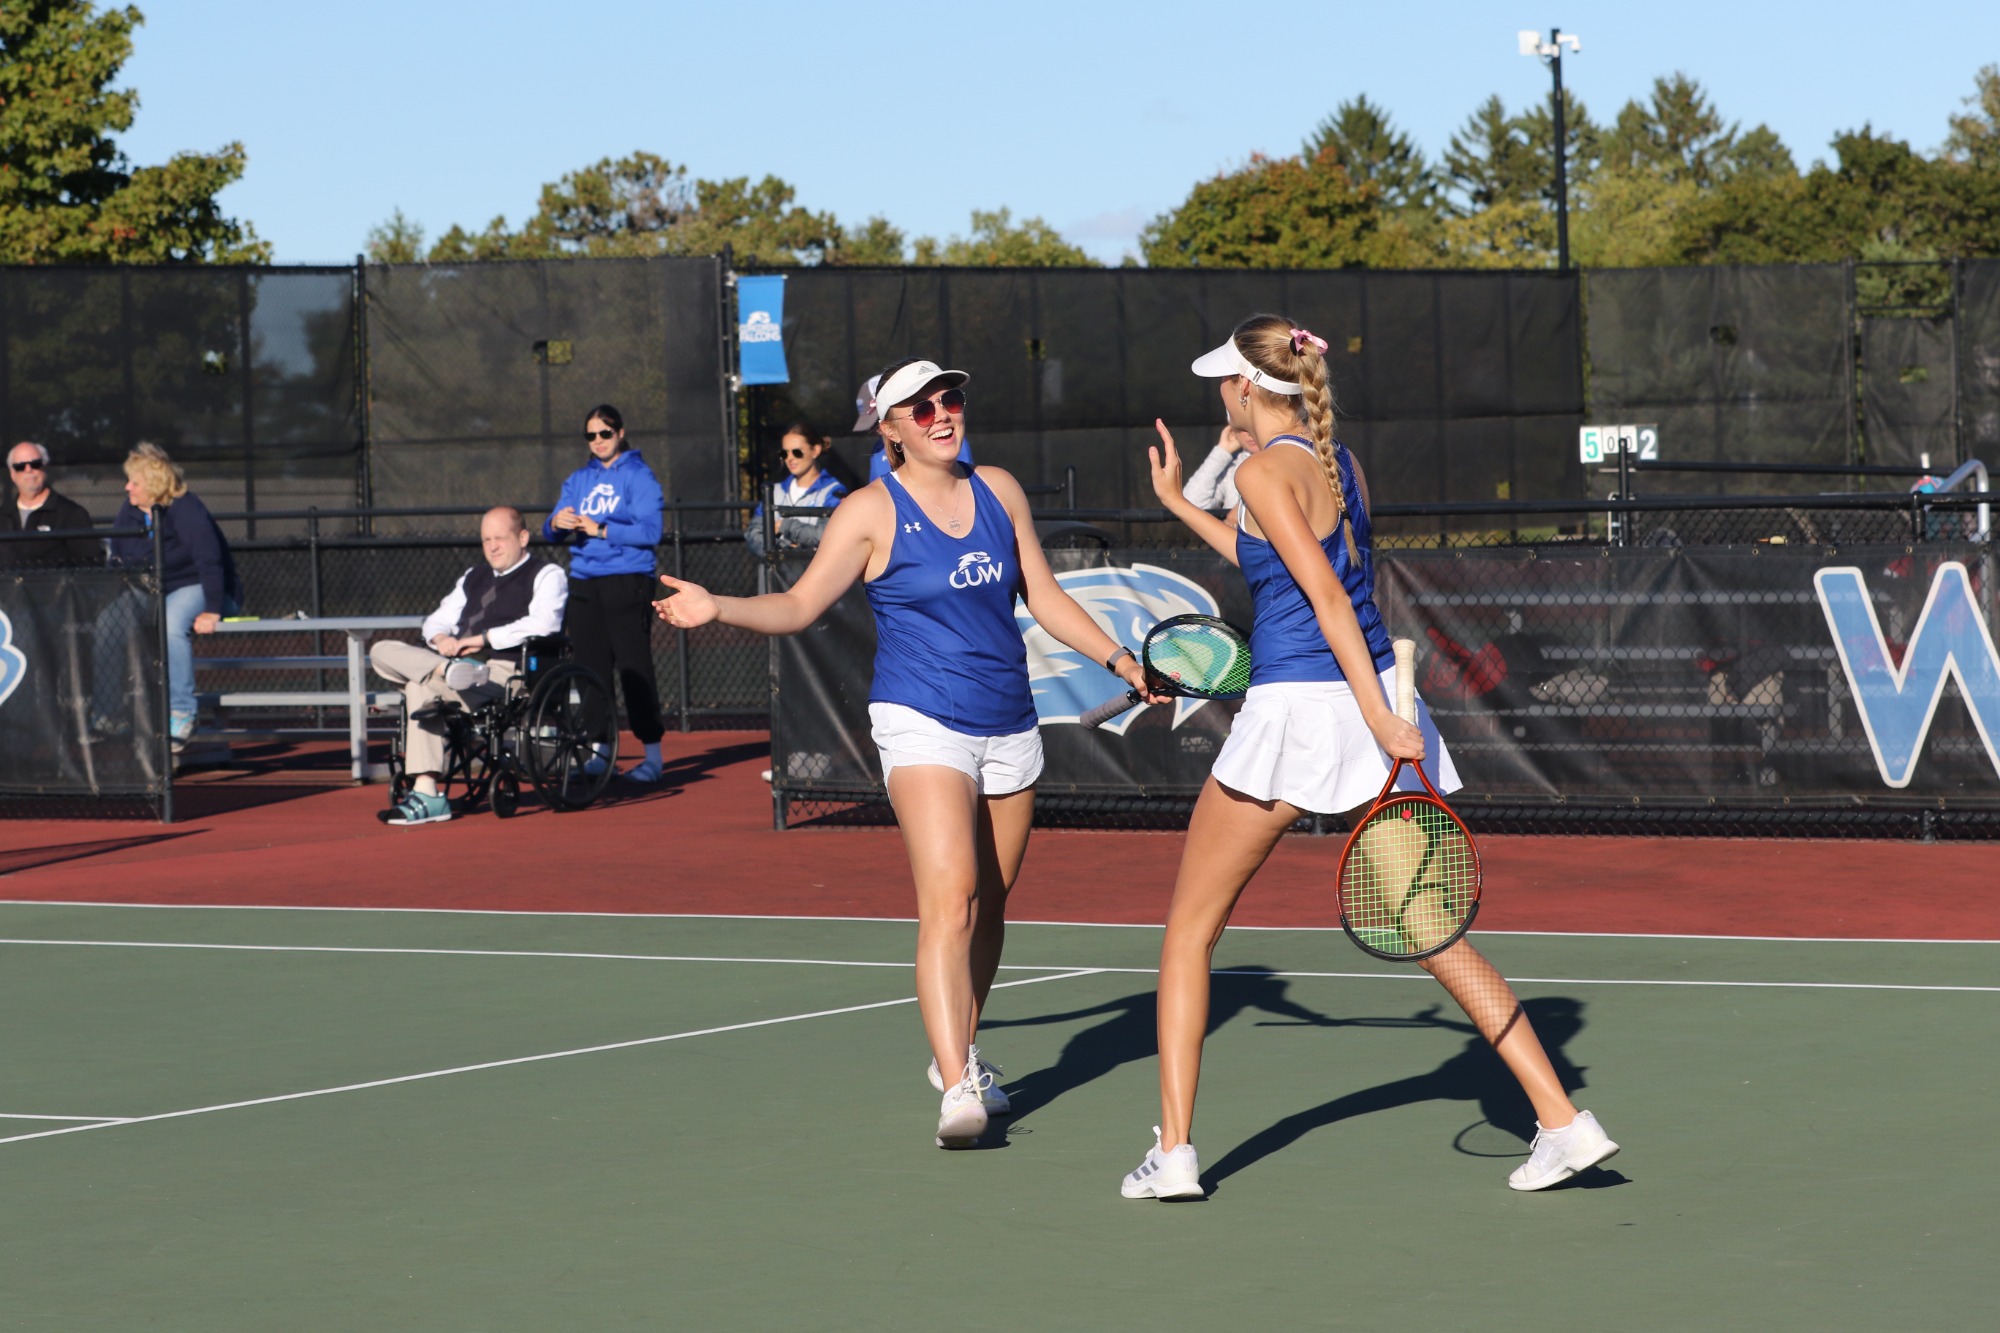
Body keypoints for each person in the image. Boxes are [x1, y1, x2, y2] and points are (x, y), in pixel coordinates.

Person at [1120, 315, 1619, 1200]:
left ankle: (1176, 1153)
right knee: (1433, 932)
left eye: (1223, 382)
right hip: (1364, 695)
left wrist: (1381, 718)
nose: (1218, 396)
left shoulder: (1261, 471)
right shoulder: (1337, 463)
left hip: (1311, 709)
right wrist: (1177, 505)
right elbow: (1271, 560)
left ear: (1245, 388)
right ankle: (1563, 1120)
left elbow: (1323, 594)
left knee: (1189, 932)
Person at [656, 357, 1163, 1150]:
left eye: (949, 398)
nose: (941, 414)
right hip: (921, 718)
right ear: (890, 429)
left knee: (990, 905)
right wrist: (716, 604)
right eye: (920, 408)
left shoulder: (999, 490)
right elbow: (799, 604)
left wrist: (1121, 659)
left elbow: (1045, 595)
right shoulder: (868, 510)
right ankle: (957, 1082)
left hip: (1009, 719)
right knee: (950, 897)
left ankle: (959, 1045)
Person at [371, 506, 568, 826]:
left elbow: (544, 624)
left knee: (418, 686)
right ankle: (443, 671)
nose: (492, 546)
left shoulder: (547, 574)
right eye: (486, 540)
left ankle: (427, 793)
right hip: (455, 667)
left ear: (522, 538)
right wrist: (440, 638)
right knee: (380, 650)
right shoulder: (473, 577)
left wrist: (483, 639)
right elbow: (437, 619)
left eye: (500, 538)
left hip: (505, 673)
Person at [544, 404, 668, 784]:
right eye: (591, 435)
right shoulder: (578, 480)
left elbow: (651, 531)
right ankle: (600, 752)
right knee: (590, 669)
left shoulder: (639, 476)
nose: (598, 441)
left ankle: (653, 757)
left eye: (605, 433)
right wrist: (556, 522)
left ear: (620, 433)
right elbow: (550, 531)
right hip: (585, 582)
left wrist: (601, 530)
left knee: (633, 667)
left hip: (628, 580)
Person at [105, 443, 242, 747]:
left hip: (203, 587)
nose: (127, 487)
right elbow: (119, 558)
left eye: (134, 482)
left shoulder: (186, 508)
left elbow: (210, 561)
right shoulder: (129, 510)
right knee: (109, 622)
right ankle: (107, 714)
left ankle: (182, 713)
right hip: (154, 590)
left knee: (170, 621)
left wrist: (213, 609)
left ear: (154, 485)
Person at [746, 423, 847, 558]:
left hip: (813, 571)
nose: (790, 458)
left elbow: (826, 535)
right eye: (784, 453)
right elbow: (753, 534)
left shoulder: (833, 491)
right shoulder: (774, 491)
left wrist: (785, 526)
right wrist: (784, 550)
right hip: (775, 571)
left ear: (815, 450)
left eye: (797, 452)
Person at [853, 371, 973, 482]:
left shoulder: (948, 438)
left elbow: (963, 479)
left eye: (950, 401)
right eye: (872, 425)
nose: (943, 416)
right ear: (890, 429)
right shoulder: (878, 450)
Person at [1, 441, 97, 567]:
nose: (28, 470)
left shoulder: (71, 514)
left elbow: (91, 565)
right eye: (20, 466)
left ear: (45, 467)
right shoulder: (3, 515)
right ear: (12, 474)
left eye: (35, 464)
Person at [1180, 423, 1261, 517]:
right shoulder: (1232, 466)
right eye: (1242, 427)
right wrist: (1222, 451)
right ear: (1232, 430)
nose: (1250, 433)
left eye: (1257, 423)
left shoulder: (1277, 459)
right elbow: (1191, 505)